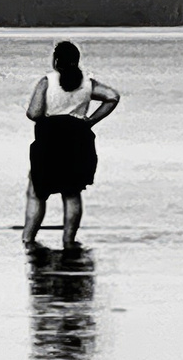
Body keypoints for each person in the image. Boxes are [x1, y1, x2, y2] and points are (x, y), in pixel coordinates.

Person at [22, 39, 119, 247]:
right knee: (72, 193)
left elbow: (34, 113)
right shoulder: (88, 83)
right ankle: (69, 240)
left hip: (49, 140)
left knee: (37, 193)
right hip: (78, 140)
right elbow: (112, 97)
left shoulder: (47, 81)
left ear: (56, 61)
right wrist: (91, 120)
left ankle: (28, 238)